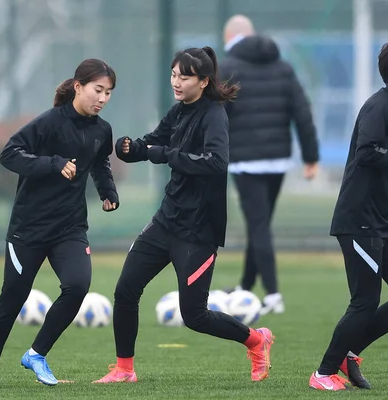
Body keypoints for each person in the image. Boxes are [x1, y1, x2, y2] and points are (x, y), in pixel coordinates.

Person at [92, 46, 274, 384]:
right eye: (174, 74)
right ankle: (124, 370)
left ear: (203, 81)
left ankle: (256, 339)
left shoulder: (215, 115)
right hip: (165, 222)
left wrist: (163, 153)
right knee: (126, 290)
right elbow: (152, 146)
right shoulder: (178, 112)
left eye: (184, 76)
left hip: (198, 232)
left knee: (194, 316)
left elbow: (216, 164)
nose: (176, 81)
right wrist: (129, 148)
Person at [0, 58, 120, 390]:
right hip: (28, 228)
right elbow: (9, 154)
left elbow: (100, 163)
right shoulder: (48, 123)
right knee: (13, 298)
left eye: (108, 93)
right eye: (97, 90)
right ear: (78, 86)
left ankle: (36, 354)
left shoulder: (102, 130)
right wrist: (53, 164)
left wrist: (108, 191)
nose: (102, 98)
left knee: (78, 285)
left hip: (70, 226)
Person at [309, 41, 388, 391]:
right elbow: (367, 154)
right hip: (359, 219)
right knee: (365, 301)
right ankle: (323, 373)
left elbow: (387, 160)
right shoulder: (379, 106)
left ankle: (349, 354)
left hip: (384, 219)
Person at [219, 15, 320, 315]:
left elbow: (215, 116)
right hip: (278, 160)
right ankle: (246, 287)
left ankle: (273, 294)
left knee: (258, 225)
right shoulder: (283, 67)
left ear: (230, 38)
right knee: (260, 224)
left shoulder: (226, 68)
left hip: (245, 162)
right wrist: (310, 157)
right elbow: (302, 112)